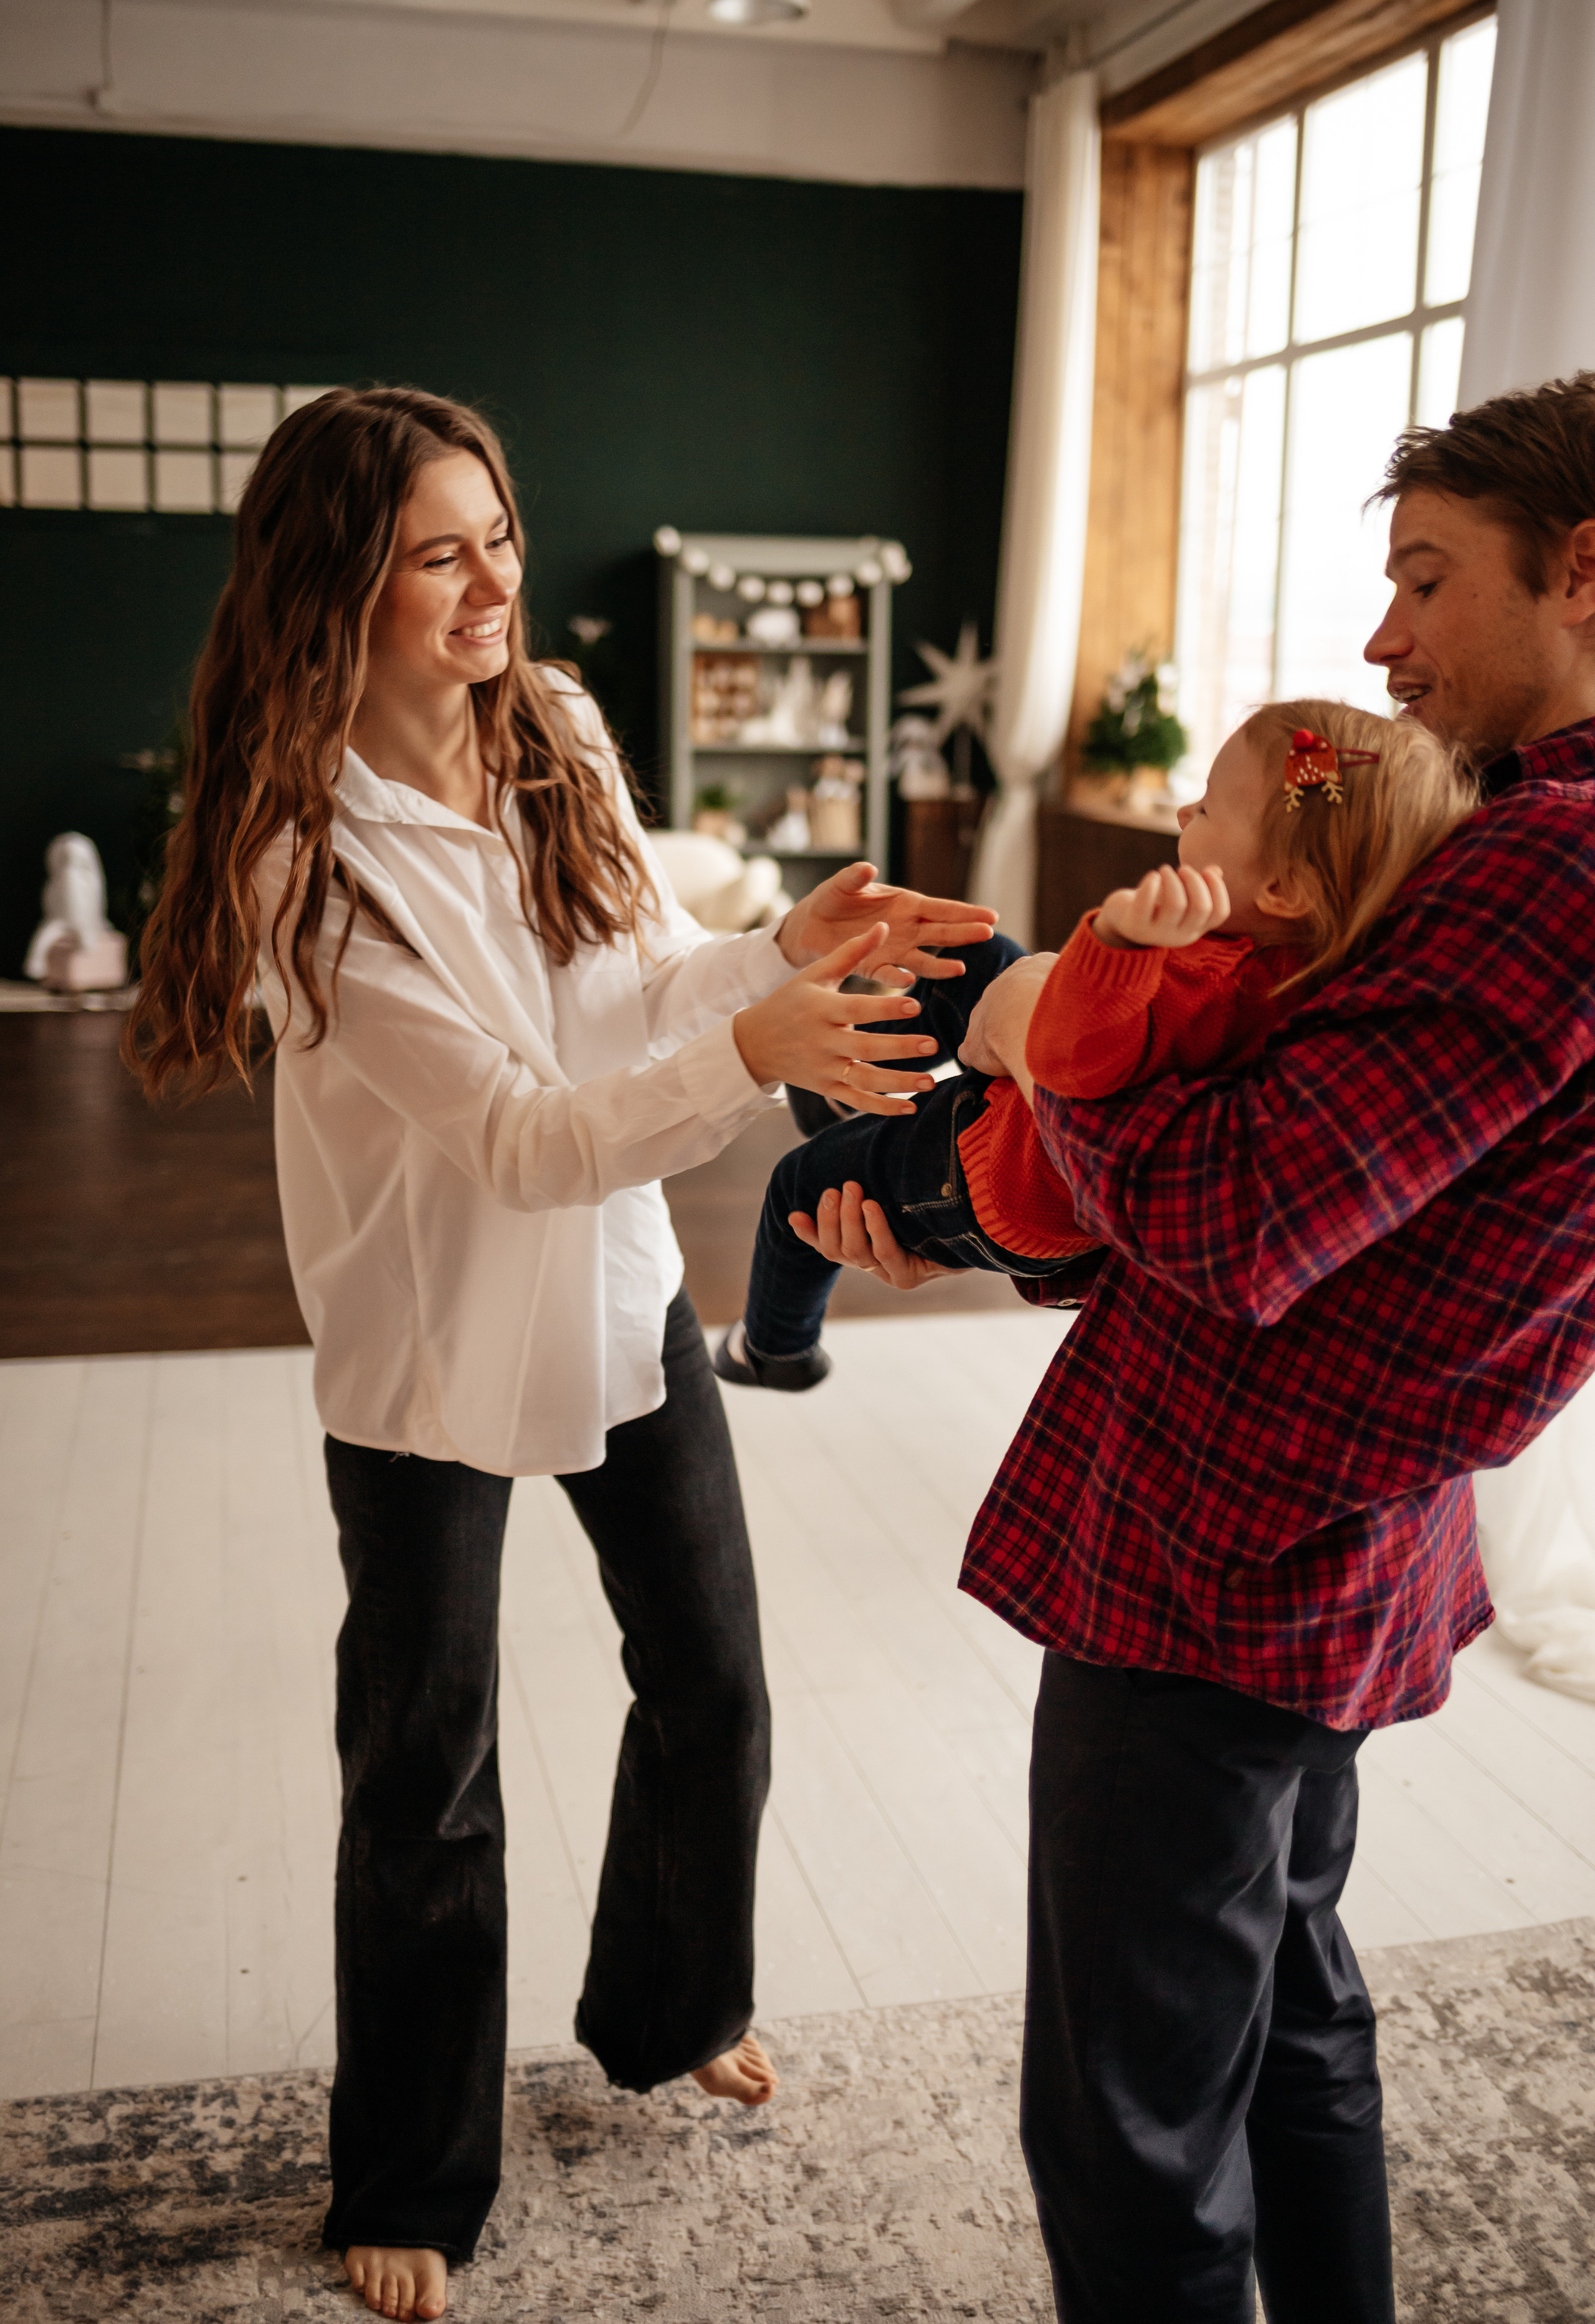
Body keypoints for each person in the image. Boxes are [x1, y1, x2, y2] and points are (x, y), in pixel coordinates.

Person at [125, 384, 996, 2324]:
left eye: (498, 531)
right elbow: (521, 1131)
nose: (491, 578)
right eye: (440, 550)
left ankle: (673, 2004)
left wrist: (775, 947)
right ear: (340, 584)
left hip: (610, 1295)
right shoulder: (305, 855)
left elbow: (628, 988)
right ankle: (411, 2172)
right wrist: (751, 1057)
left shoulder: (563, 734)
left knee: (716, 1681)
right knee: (424, 1761)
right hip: (426, 1332)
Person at [798, 371, 1595, 2322]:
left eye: (1424, 578)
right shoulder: (1509, 836)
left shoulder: (1545, 863)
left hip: (1226, 1545)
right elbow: (1330, 1184)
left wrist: (1027, 1050)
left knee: (1130, 2115)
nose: (1377, 636)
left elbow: (1236, 1220)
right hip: (1333, 1525)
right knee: (1284, 2010)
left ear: (1582, 568)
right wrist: (1003, 1198)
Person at [714, 699, 1472, 1394]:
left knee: (797, 1187)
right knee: (982, 958)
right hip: (1016, 1120)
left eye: (1205, 807)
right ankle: (839, 1089)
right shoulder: (1299, 966)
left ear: (1282, 891)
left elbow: (1070, 1061)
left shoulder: (1202, 978)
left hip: (993, 1179)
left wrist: (1113, 942)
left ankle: (774, 1350)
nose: (1182, 810)